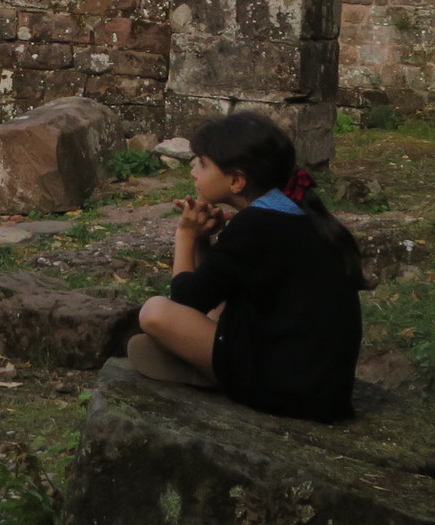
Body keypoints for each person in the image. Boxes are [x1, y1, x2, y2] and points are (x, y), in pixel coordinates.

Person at [128, 110, 367, 421]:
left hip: (287, 388)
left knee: (155, 312)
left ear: (236, 181)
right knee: (229, 299)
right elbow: (211, 292)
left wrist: (185, 234)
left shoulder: (255, 225)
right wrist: (204, 240)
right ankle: (209, 364)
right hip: (316, 388)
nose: (193, 172)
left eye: (202, 164)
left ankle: (212, 371)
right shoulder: (292, 215)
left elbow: (185, 300)